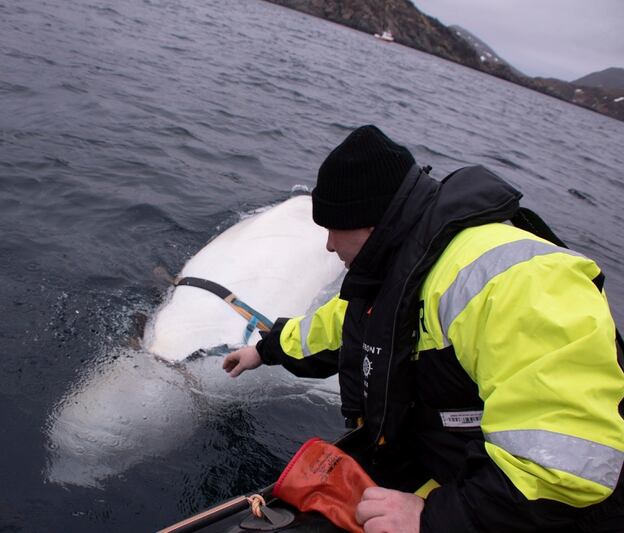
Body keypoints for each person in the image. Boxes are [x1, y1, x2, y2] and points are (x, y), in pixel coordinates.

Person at [222, 125, 624, 532]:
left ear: (369, 223)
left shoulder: (519, 282)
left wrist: (432, 519)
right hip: (458, 471)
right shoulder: (406, 265)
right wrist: (266, 350)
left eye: (332, 228)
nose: (327, 245)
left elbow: (565, 469)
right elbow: (343, 327)